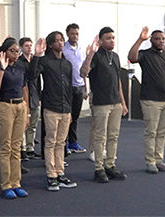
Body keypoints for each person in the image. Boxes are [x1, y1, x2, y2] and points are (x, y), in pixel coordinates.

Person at [29, 31, 77, 191]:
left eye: (61, 40)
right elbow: (31, 75)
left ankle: (60, 173)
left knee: (61, 143)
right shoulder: (44, 61)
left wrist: (69, 111)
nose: (60, 43)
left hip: (65, 109)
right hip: (51, 107)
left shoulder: (67, 64)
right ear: (50, 44)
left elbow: (69, 88)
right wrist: (36, 55)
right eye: (56, 41)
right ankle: (51, 176)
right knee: (50, 142)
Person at [80, 27, 128, 183]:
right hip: (101, 103)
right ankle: (99, 168)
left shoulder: (115, 56)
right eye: (108, 38)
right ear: (100, 40)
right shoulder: (95, 56)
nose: (112, 40)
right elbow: (83, 72)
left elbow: (117, 80)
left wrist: (123, 102)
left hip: (115, 102)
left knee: (113, 136)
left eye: (113, 37)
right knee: (100, 137)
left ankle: (110, 166)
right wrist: (91, 53)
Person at [128, 27, 165, 174]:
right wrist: (140, 39)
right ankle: (150, 162)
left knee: (162, 133)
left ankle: (159, 159)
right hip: (150, 100)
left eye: (162, 39)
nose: (160, 41)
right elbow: (132, 57)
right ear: (151, 40)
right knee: (151, 132)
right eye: (157, 39)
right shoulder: (145, 55)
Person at [0, 37, 29, 199]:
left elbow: (24, 88)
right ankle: (6, 184)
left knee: (17, 146)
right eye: (12, 51)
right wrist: (2, 70)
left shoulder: (21, 66)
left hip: (20, 106)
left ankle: (16, 183)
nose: (15, 54)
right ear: (4, 52)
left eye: (17, 51)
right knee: (5, 147)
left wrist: (27, 111)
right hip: (5, 106)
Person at [63, 23, 87, 154]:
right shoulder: (63, 49)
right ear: (67, 34)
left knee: (76, 117)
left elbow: (83, 69)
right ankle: (64, 143)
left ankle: (73, 142)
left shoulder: (81, 49)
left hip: (80, 86)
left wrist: (85, 88)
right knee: (67, 117)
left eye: (77, 33)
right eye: (72, 33)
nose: (75, 36)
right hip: (68, 87)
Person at [19, 37, 42, 160]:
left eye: (30, 45)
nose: (29, 47)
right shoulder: (19, 61)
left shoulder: (35, 60)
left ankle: (30, 148)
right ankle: (22, 148)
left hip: (34, 95)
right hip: (23, 96)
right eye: (26, 45)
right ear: (21, 47)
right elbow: (29, 75)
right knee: (23, 125)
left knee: (33, 125)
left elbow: (37, 80)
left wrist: (39, 96)